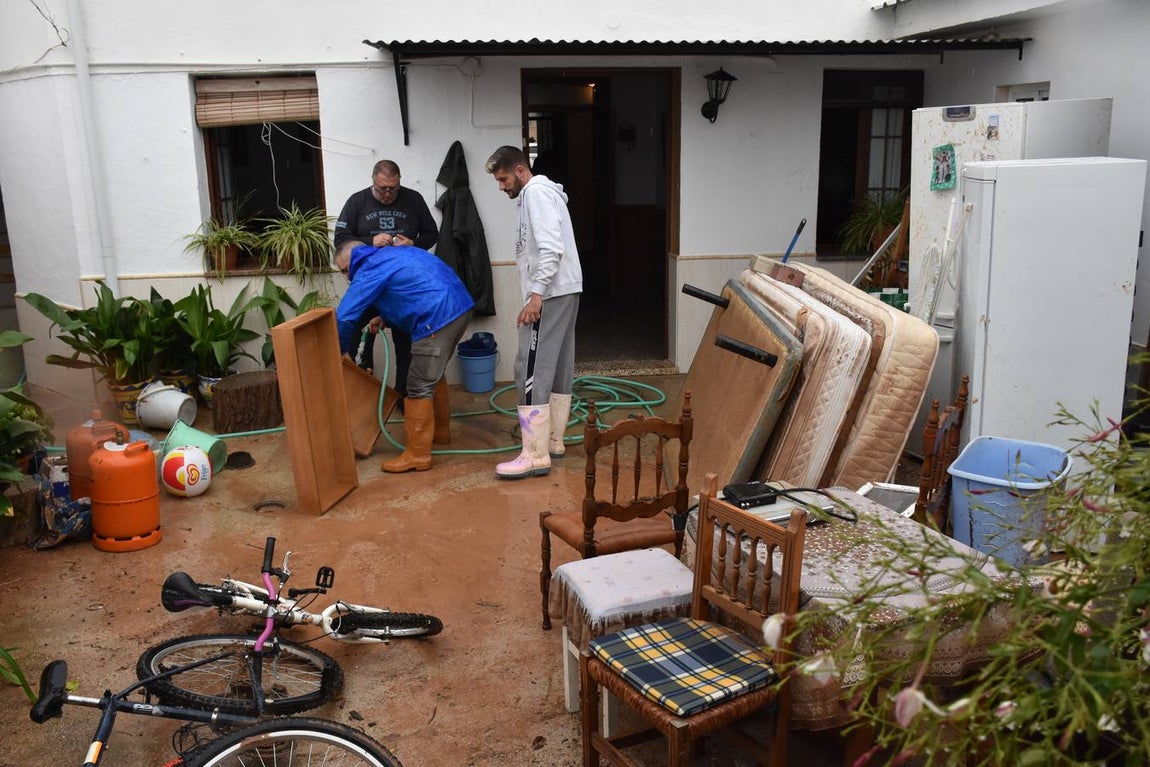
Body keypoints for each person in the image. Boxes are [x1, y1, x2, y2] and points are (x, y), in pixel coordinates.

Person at [484, 145, 583, 480]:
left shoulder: (536, 193)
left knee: (528, 366)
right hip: (564, 289)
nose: (501, 187)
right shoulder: (543, 193)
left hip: (551, 292)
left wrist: (535, 296)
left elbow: (550, 248)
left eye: (503, 179)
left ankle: (534, 453)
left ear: (520, 170)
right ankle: (553, 440)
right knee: (556, 366)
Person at [334, 240, 473, 473]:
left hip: (436, 318)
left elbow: (345, 316)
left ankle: (417, 455)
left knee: (418, 386)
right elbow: (411, 288)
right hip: (460, 308)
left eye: (344, 270)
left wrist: (340, 351)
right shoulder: (392, 255)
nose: (347, 277)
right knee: (433, 375)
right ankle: (441, 433)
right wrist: (385, 317)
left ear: (352, 260)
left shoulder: (368, 268)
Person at [334, 160, 439, 392]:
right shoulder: (357, 201)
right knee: (356, 339)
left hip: (401, 289)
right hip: (369, 286)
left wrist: (414, 244)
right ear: (373, 182)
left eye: (393, 188)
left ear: (399, 182)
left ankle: (405, 397)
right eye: (383, 188)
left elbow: (432, 233)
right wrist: (370, 242)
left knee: (405, 346)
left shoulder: (413, 199)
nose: (389, 193)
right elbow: (340, 240)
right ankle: (362, 394)